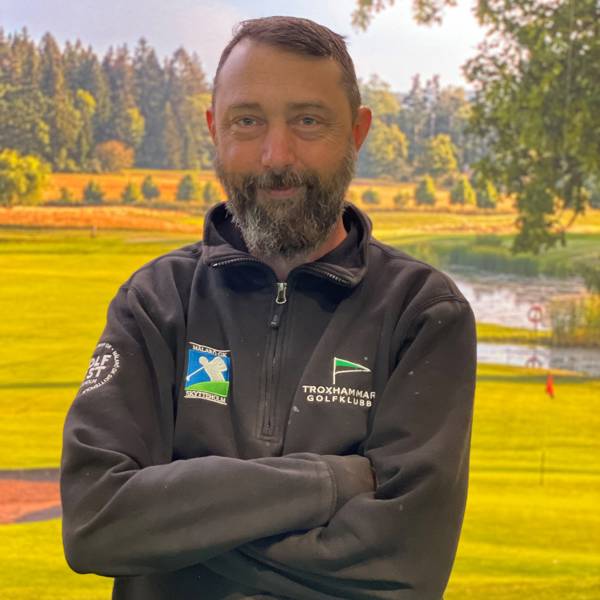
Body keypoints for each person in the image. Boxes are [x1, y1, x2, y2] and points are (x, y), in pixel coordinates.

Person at [60, 16, 476, 600]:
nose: (276, 156)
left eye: (308, 121)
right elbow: (96, 522)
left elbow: (406, 566)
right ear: (214, 129)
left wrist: (173, 528)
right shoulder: (156, 301)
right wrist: (333, 482)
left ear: (356, 132)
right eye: (248, 121)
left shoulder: (423, 313)